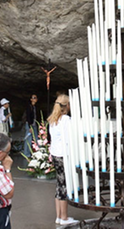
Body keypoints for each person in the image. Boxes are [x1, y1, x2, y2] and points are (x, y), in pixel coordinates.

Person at [48, 95, 78, 226]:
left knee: (59, 185)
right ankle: (64, 217)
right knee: (64, 185)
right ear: (67, 106)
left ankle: (59, 216)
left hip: (55, 154)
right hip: (63, 155)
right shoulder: (66, 120)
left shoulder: (52, 119)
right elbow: (69, 139)